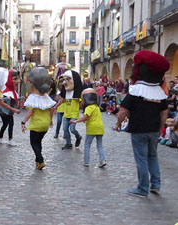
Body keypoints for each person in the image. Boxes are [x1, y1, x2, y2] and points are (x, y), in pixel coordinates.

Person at [116, 50, 169, 197]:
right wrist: (160, 127)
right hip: (153, 130)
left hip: (139, 130)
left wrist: (118, 125)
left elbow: (123, 111)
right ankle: (155, 184)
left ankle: (142, 188)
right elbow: (164, 112)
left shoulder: (135, 91)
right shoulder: (159, 93)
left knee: (141, 158)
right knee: (152, 156)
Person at [21, 67, 55, 170]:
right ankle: (38, 163)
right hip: (45, 125)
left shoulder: (32, 97)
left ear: (32, 83)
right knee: (38, 142)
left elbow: (30, 111)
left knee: (33, 142)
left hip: (36, 125)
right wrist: (50, 120)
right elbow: (51, 109)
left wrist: (23, 122)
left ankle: (40, 160)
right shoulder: (46, 96)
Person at [70, 88, 106, 168]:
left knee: (87, 145)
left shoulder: (89, 107)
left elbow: (86, 117)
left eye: (82, 99)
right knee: (100, 145)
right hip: (100, 127)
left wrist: (76, 121)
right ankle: (102, 160)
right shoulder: (96, 106)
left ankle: (86, 161)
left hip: (92, 128)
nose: (82, 101)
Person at [54, 70, 83, 150]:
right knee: (65, 129)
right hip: (66, 114)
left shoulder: (77, 94)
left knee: (72, 129)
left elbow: (82, 103)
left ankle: (78, 137)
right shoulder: (66, 93)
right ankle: (68, 143)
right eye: (64, 79)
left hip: (74, 114)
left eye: (68, 79)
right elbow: (62, 100)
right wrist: (55, 106)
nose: (64, 82)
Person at [0, 69, 21, 146]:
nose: (18, 81)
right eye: (15, 79)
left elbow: (14, 99)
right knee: (7, 124)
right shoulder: (5, 91)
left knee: (8, 125)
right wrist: (5, 98)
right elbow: (0, 101)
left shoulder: (13, 92)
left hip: (9, 112)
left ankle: (2, 138)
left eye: (18, 78)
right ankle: (5, 139)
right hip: (4, 112)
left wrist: (21, 98)